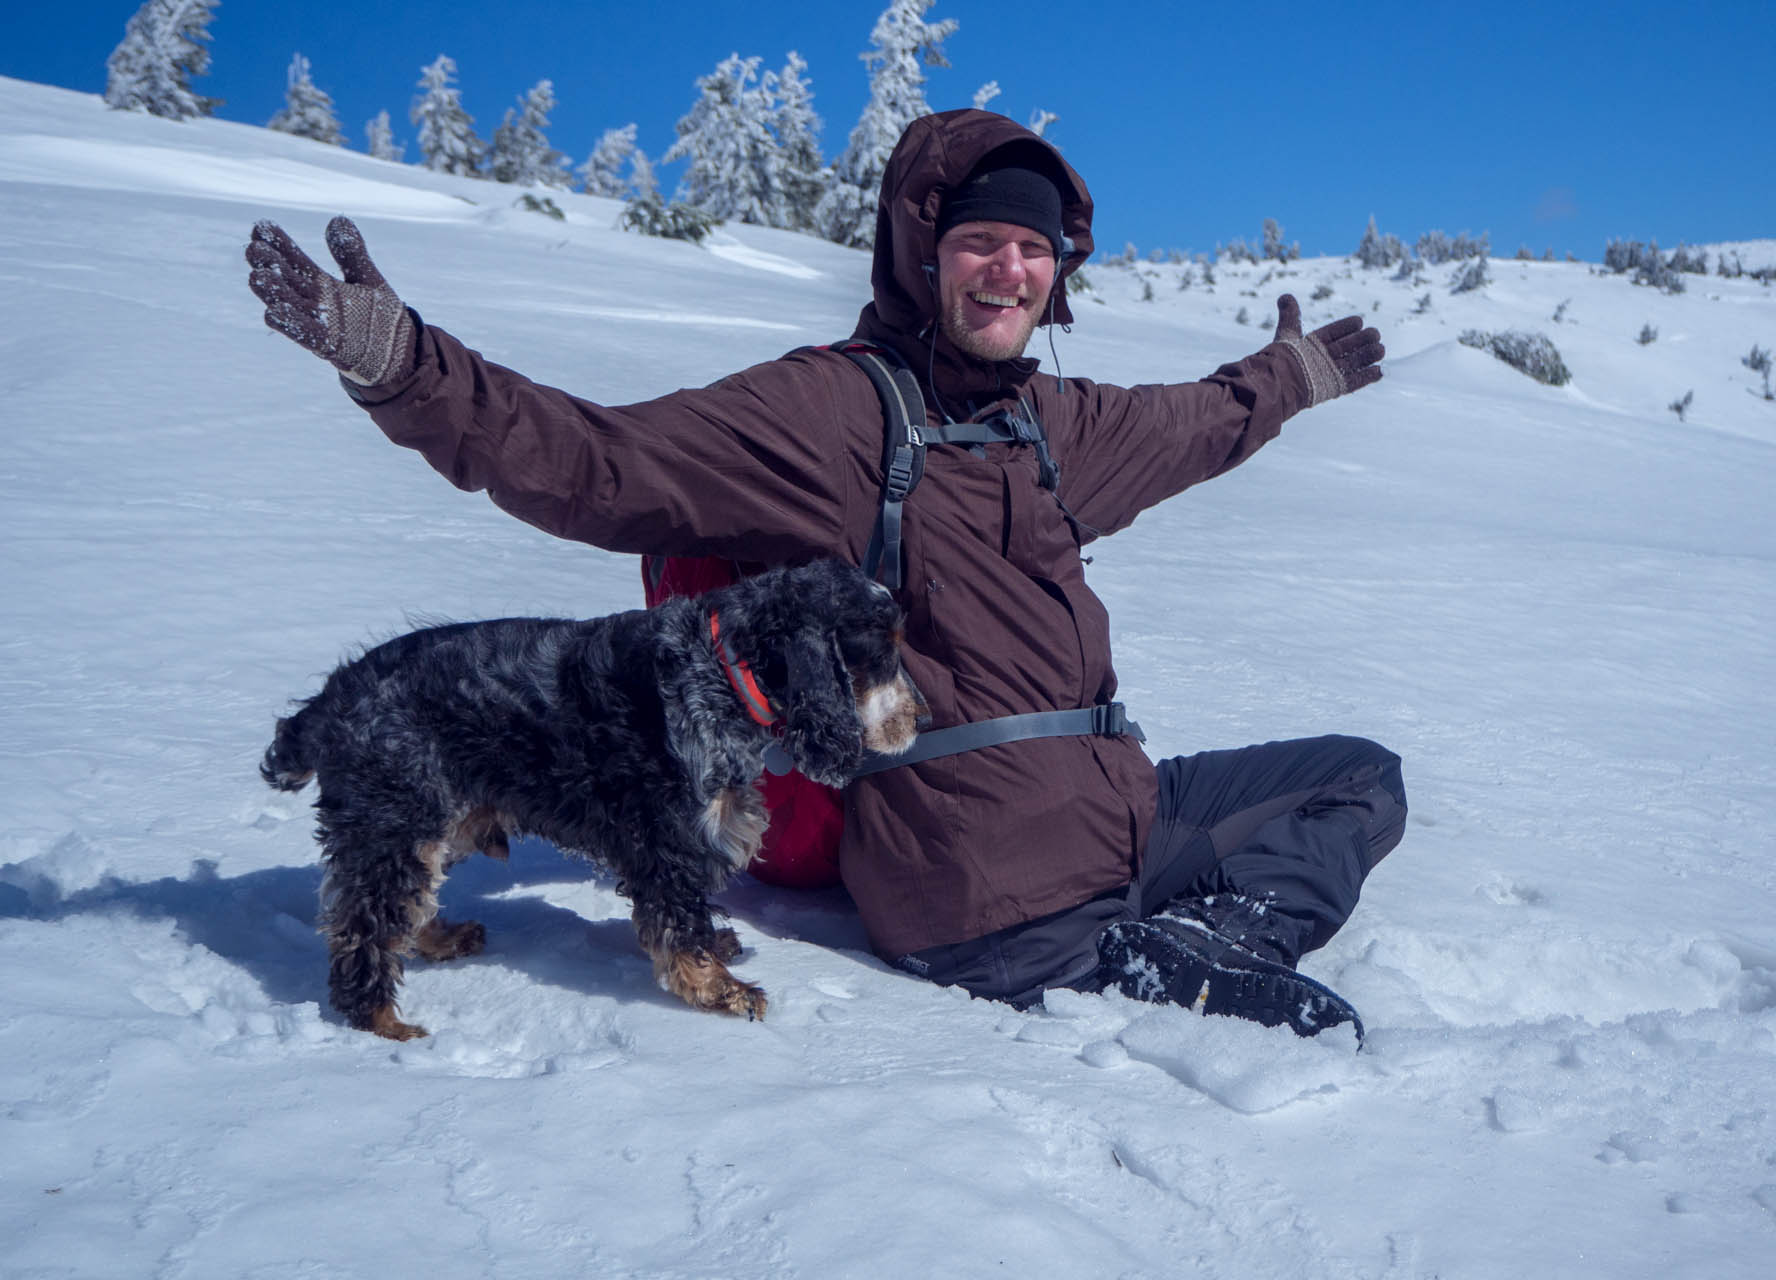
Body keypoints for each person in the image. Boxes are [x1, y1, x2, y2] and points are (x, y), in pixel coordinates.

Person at [246, 109, 1406, 1036]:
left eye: (1035, 247)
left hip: (1123, 818)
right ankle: (1150, 955)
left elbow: (1193, 422)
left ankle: (1222, 937)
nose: (1010, 269)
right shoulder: (834, 415)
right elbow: (599, 460)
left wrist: (1289, 375)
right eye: (980, 241)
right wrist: (404, 368)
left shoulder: (1053, 423)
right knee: (1314, 1027)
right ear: (922, 251)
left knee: (1360, 779)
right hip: (980, 886)